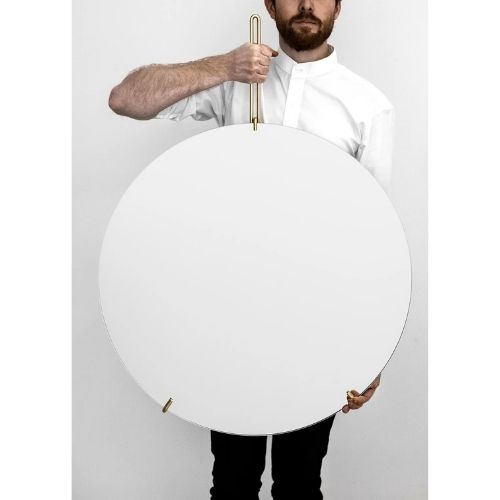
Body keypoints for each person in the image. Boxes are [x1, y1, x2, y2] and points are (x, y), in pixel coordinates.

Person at [109, 1, 390, 498]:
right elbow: (125, 99)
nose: (307, 4)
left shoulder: (368, 106)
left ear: (339, 6)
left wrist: (372, 351)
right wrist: (223, 66)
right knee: (232, 481)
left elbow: (374, 240)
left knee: (300, 483)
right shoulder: (235, 79)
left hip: (317, 327)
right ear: (269, 5)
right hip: (231, 317)